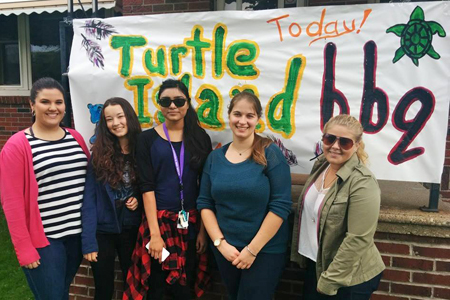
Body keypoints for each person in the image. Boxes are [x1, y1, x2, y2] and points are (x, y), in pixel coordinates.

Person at [0, 77, 90, 299]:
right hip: (45, 241)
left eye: (58, 102)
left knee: (61, 291)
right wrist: (24, 249)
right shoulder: (18, 145)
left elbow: (88, 185)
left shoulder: (75, 138)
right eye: (45, 102)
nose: (53, 108)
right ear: (32, 105)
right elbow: (11, 202)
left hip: (75, 238)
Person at [197, 91, 292, 300]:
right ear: (229, 116)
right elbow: (205, 203)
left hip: (265, 250)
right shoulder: (215, 158)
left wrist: (252, 250)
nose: (242, 121)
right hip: (227, 250)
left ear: (258, 119)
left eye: (249, 116)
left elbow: (281, 205)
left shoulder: (270, 153)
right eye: (237, 114)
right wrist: (220, 244)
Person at [124, 79, 212, 300]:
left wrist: (203, 231)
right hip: (158, 224)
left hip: (190, 224)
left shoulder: (200, 138)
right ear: (160, 105)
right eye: (166, 101)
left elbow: (205, 187)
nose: (172, 105)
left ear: (187, 103)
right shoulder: (146, 140)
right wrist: (154, 235)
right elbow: (147, 188)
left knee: (185, 285)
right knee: (157, 287)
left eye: (178, 100)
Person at [291, 114, 385, 300]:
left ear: (357, 145)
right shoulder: (321, 165)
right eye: (330, 138)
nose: (335, 146)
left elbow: (358, 239)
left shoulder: (362, 182)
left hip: (349, 277)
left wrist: (330, 280)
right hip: (318, 266)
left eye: (345, 142)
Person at [81, 97, 142, 300]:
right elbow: (89, 199)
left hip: (132, 229)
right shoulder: (99, 155)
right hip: (103, 231)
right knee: (103, 289)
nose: (115, 123)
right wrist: (88, 241)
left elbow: (151, 187)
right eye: (109, 119)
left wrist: (139, 201)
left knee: (133, 285)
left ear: (129, 117)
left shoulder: (143, 149)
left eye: (120, 116)